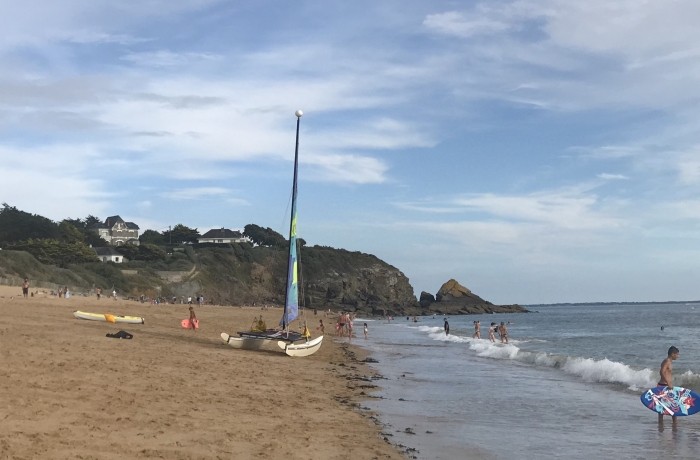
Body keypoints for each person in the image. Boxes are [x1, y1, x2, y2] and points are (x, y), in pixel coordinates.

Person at [658, 346, 680, 425]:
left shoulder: (669, 362)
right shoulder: (667, 361)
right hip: (663, 386)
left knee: (672, 406)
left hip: (667, 386)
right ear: (672, 354)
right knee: (663, 408)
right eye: (677, 354)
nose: (678, 356)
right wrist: (667, 383)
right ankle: (666, 425)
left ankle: (673, 424)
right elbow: (662, 372)